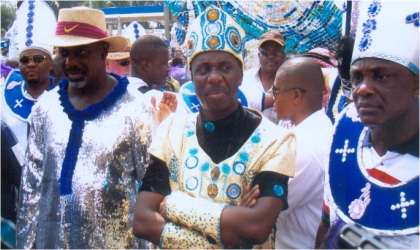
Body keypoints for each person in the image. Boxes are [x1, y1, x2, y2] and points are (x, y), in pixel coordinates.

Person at [133, 6, 296, 249]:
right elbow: (143, 221)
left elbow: (256, 227)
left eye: (225, 67)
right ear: (192, 77)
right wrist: (231, 224)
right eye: (203, 69)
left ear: (240, 74)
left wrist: (175, 205)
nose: (214, 77)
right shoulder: (170, 132)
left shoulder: (274, 141)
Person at [16, 7, 159, 249]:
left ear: (103, 51)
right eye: (65, 53)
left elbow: (153, 196)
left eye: (81, 52)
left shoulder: (137, 111)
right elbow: (31, 193)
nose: (71, 62)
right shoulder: (44, 110)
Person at [318, 1, 419, 248]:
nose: (362, 89)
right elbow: (326, 228)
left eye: (381, 76)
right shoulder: (345, 135)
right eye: (357, 78)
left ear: (416, 84)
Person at [272, 57, 333, 248]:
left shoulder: (305, 147)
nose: (272, 98)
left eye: (276, 92)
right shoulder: (319, 128)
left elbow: (265, 206)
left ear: (297, 95)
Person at [2, 46, 55, 151]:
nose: (30, 64)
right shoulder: (3, 99)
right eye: (24, 60)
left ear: (50, 64)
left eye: (38, 59)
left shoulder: (67, 97)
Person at [128, 35, 188, 115]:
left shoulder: (116, 93)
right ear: (146, 65)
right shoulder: (166, 101)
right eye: (164, 63)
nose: (168, 68)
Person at [241, 30, 286, 124]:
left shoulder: (290, 83)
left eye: (276, 52)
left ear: (284, 56)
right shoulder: (244, 79)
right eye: (265, 52)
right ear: (259, 55)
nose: (271, 57)